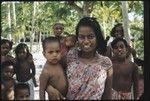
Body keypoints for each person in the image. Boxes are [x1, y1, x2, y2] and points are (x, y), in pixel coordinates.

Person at [46, 17, 113, 100]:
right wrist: (49, 89)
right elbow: (48, 72)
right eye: (81, 37)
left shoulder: (105, 63)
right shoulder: (70, 57)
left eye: (91, 36)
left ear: (97, 37)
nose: (86, 41)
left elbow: (107, 96)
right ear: (77, 38)